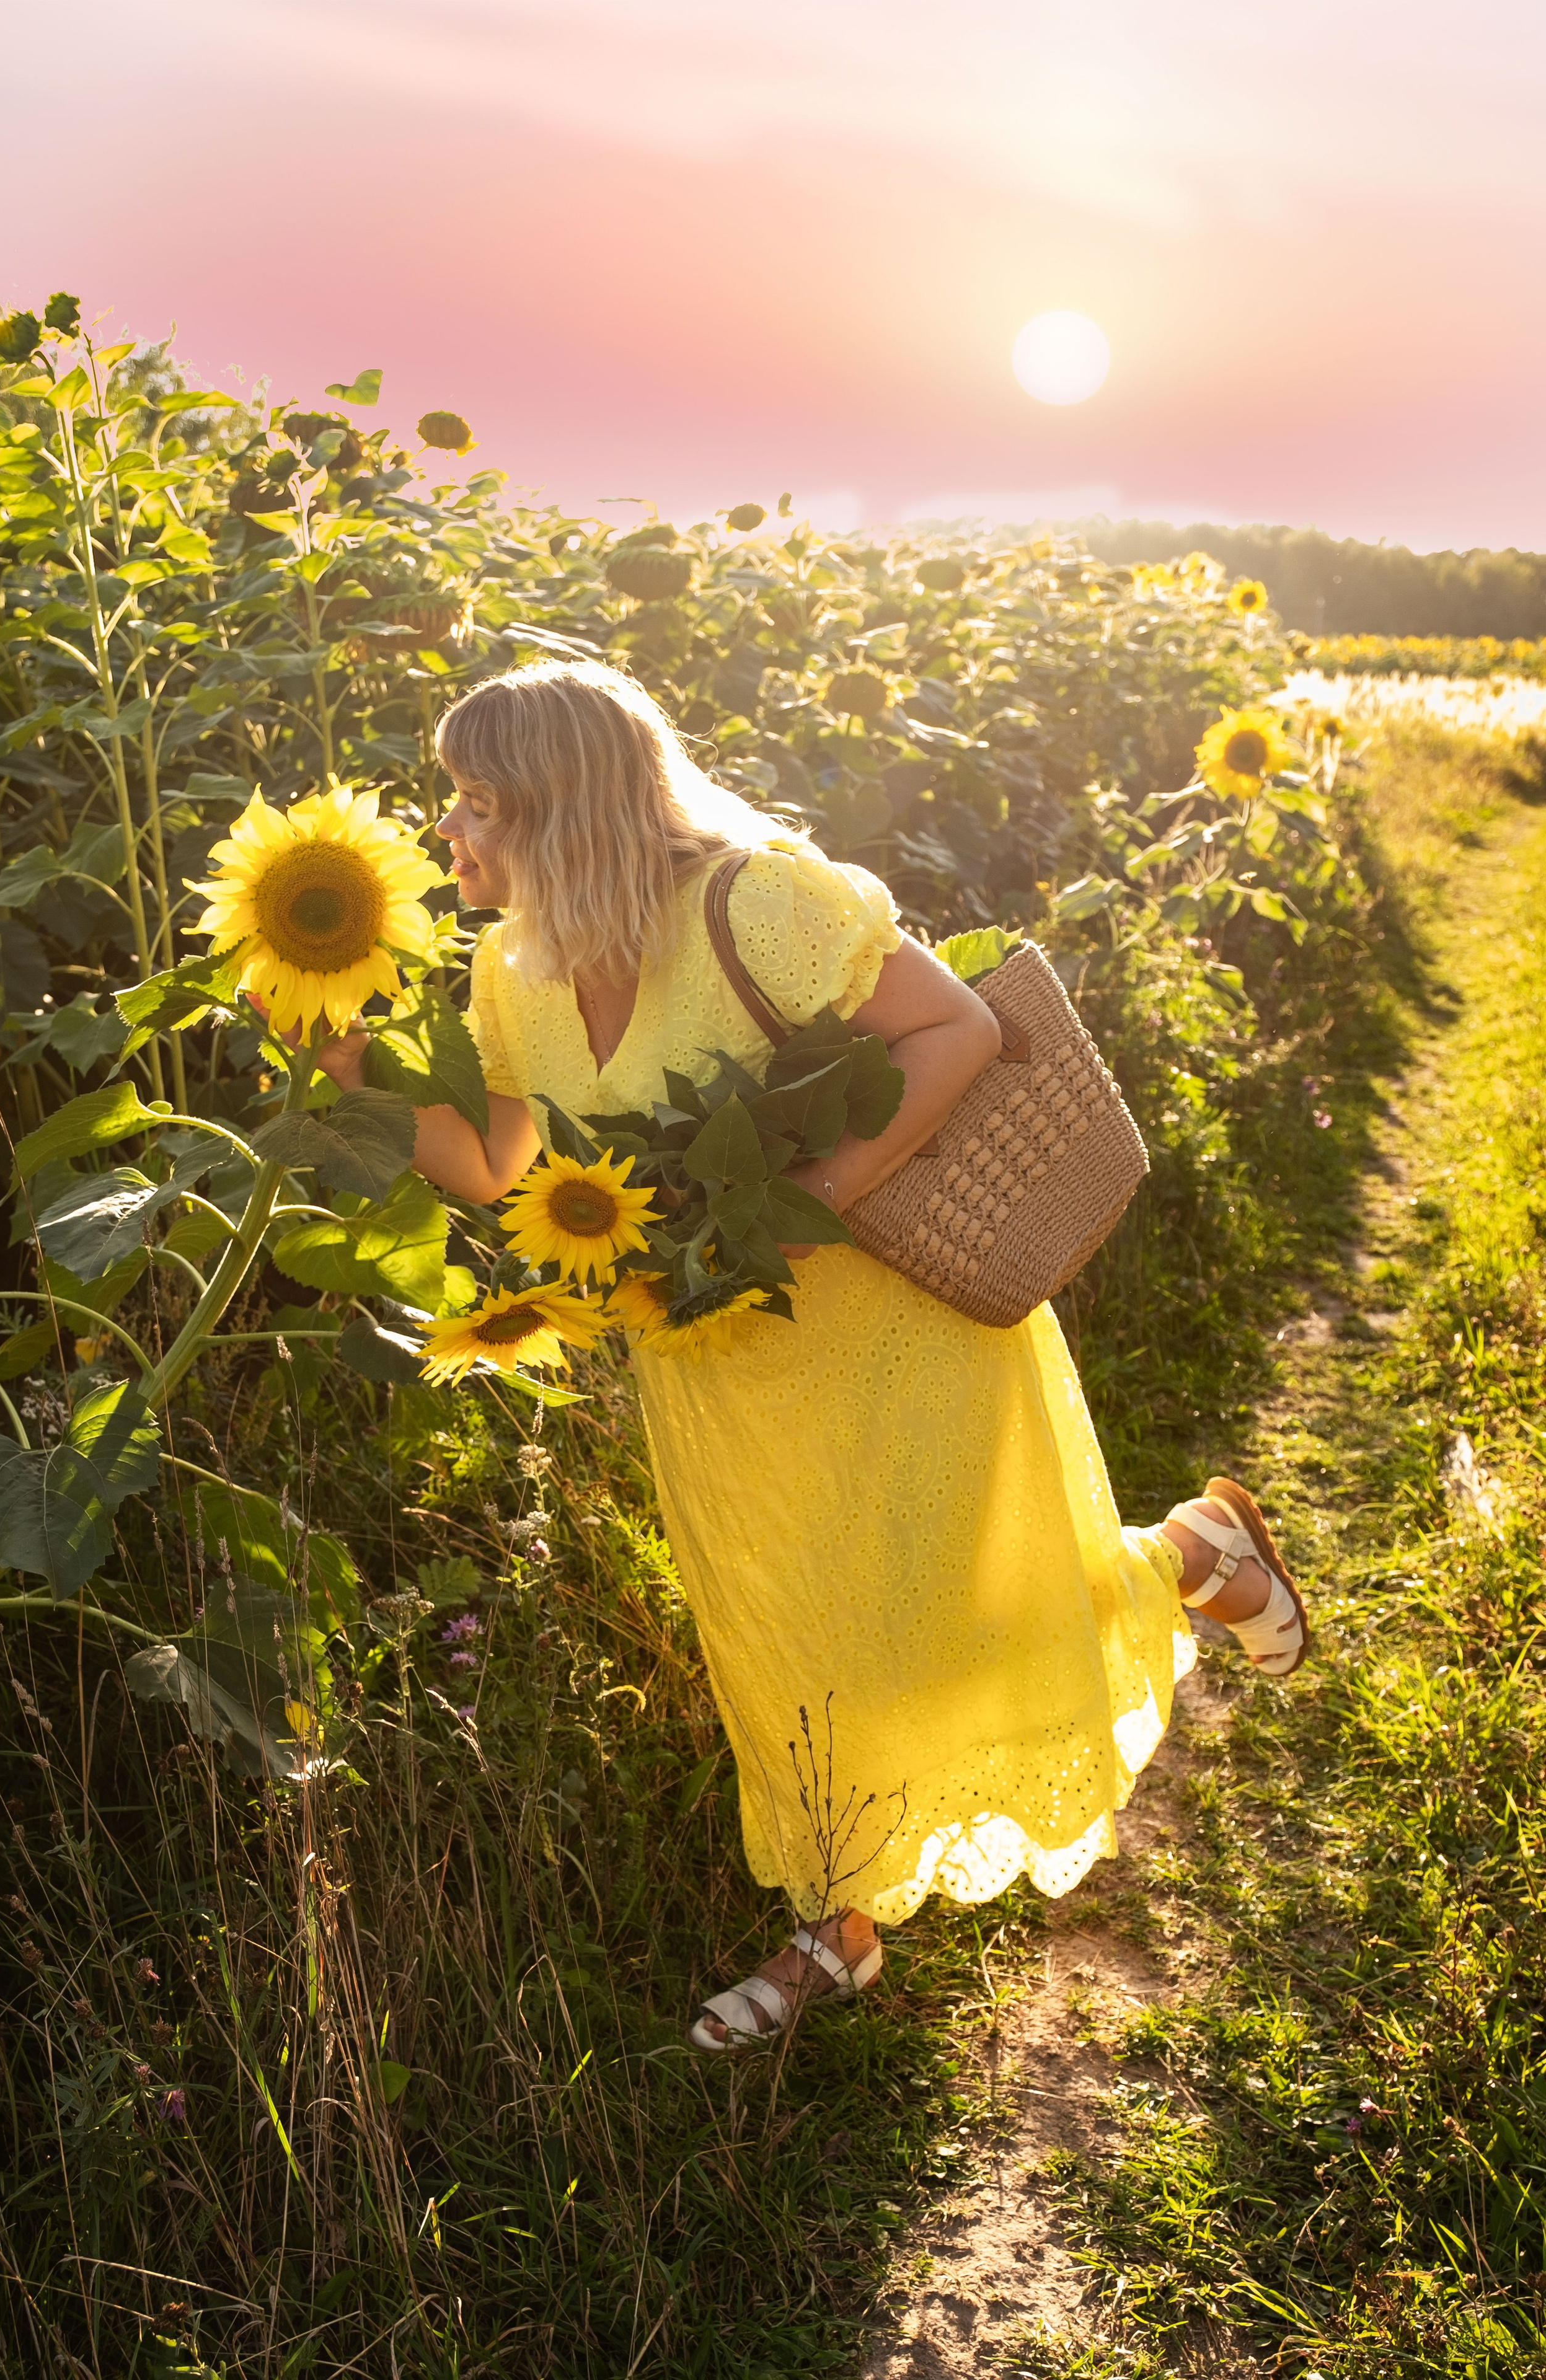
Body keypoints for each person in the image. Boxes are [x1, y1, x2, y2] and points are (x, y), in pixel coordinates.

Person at [312, 659, 1309, 2050]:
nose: (447, 830)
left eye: (476, 800)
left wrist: (804, 1205)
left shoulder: (754, 904)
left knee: (951, 1609)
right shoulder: (515, 969)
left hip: (884, 1327)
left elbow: (956, 1026)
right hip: (715, 1365)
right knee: (783, 1627)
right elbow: (493, 1164)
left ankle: (1177, 1571)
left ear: (560, 806)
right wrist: (349, 1076)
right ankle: (848, 1916)